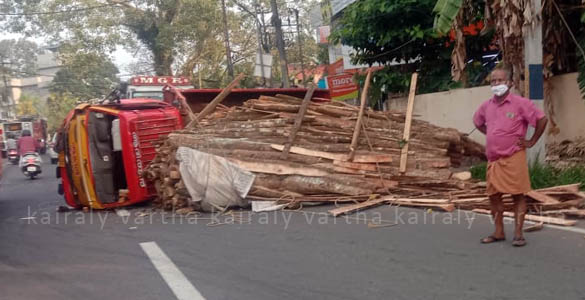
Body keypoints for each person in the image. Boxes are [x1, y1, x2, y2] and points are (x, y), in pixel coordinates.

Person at [473, 68, 548, 247]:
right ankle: (498, 232)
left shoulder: (520, 103)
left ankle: (518, 234)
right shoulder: (486, 106)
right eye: (493, 81)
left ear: (509, 83)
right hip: (494, 159)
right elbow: (477, 122)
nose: (496, 84)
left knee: (517, 195)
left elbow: (542, 119)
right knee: (494, 196)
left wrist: (531, 141)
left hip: (514, 156)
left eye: (500, 80)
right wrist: (492, 134)